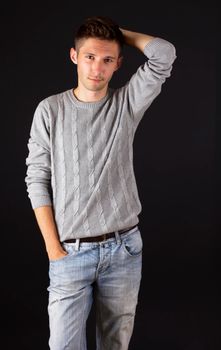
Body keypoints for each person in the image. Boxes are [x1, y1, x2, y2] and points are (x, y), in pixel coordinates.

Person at [25, 15, 176, 350]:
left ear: (118, 64)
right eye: (90, 57)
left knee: (114, 344)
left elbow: (164, 53)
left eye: (108, 60)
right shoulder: (50, 110)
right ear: (74, 56)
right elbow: (37, 178)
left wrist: (119, 34)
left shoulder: (126, 104)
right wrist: (53, 248)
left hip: (123, 248)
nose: (97, 68)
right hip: (70, 251)